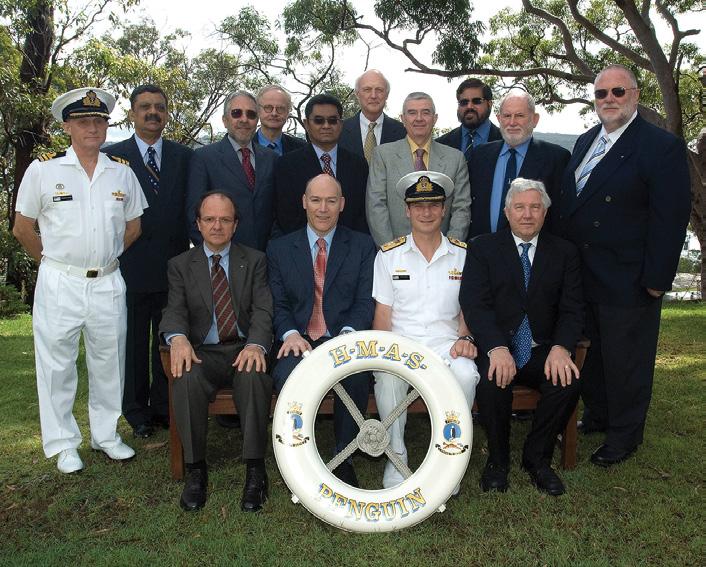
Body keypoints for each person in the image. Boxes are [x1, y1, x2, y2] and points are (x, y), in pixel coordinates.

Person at [557, 64, 691, 466]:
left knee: (626, 361)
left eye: (618, 91)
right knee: (594, 357)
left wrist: (657, 278)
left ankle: (625, 435)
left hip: (628, 276)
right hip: (584, 274)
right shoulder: (585, 141)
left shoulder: (660, 146)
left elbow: (671, 217)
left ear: (635, 95)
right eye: (601, 93)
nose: (609, 99)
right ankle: (599, 415)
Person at [13, 87, 147, 473]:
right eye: (84, 121)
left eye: (100, 121)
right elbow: (23, 228)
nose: (93, 128)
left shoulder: (121, 171)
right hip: (60, 281)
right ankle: (63, 443)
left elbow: (134, 227)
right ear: (67, 126)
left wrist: (104, 257)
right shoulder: (44, 170)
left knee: (109, 360)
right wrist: (54, 263)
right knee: (57, 365)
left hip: (107, 280)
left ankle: (106, 435)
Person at [460, 178, 584, 496]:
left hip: (542, 347)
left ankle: (537, 458)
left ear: (545, 212)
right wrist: (496, 347)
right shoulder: (482, 248)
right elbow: (475, 305)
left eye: (534, 207)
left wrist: (562, 347)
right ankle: (498, 460)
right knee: (492, 381)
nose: (527, 214)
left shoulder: (565, 252)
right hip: (498, 345)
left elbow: (573, 309)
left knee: (567, 381)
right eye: (519, 207)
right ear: (507, 212)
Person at [159, 191, 273, 512]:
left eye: (225, 219)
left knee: (254, 374)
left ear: (235, 225)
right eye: (209, 219)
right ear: (198, 224)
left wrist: (255, 344)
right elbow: (174, 309)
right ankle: (196, 470)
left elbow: (263, 310)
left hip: (242, 349)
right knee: (185, 376)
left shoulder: (254, 260)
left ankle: (255, 470)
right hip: (202, 352)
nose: (217, 226)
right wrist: (177, 338)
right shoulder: (181, 265)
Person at [372, 171, 480, 489]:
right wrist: (383, 354)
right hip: (402, 343)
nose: (427, 212)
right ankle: (396, 457)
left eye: (433, 205)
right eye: (418, 206)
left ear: (444, 209)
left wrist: (466, 337)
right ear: (407, 211)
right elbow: (383, 314)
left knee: (466, 375)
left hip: (447, 343)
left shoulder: (463, 254)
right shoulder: (388, 256)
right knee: (387, 377)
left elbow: (468, 309)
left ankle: (448, 458)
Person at [267, 174, 376, 487]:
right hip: (298, 339)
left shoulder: (362, 246)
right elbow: (278, 303)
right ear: (304, 202)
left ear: (342, 204)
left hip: (342, 336)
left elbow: (364, 301)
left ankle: (344, 455)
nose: (323, 208)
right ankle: (299, 454)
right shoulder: (279, 248)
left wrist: (347, 335)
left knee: (356, 374)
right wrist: (289, 333)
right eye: (316, 200)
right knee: (288, 376)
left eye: (331, 201)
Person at [106, 84, 193, 438]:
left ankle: (163, 406)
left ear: (167, 113)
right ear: (132, 113)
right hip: (129, 266)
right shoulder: (112, 157)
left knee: (168, 340)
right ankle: (135, 410)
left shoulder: (184, 157)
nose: (152, 112)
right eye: (145, 107)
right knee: (132, 344)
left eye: (159, 106)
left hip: (174, 266)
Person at [366, 92, 472, 247]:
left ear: (435, 118)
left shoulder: (455, 158)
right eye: (412, 113)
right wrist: (392, 251)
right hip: (395, 253)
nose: (419, 118)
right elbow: (376, 206)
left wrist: (450, 250)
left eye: (426, 112)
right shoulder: (383, 155)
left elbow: (461, 208)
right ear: (403, 119)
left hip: (442, 252)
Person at [468, 89, 570, 238]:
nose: (512, 122)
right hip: (482, 247)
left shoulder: (556, 158)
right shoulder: (480, 156)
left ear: (534, 119)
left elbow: (559, 215)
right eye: (507, 116)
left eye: (520, 115)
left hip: (533, 249)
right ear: (499, 119)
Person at [186, 90, 277, 251]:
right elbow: (194, 216)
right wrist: (217, 256)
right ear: (225, 120)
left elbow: (279, 212)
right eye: (236, 113)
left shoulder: (272, 158)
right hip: (224, 258)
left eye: (251, 114)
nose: (244, 119)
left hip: (268, 257)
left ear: (257, 120)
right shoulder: (204, 158)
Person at [274, 94, 369, 235]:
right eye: (319, 120)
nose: (326, 126)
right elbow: (286, 216)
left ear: (341, 124)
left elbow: (361, 214)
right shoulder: (286, 165)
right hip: (302, 244)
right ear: (306, 124)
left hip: (352, 244)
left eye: (332, 120)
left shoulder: (358, 165)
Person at [338, 69, 406, 162]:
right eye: (367, 90)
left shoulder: (403, 132)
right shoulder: (339, 130)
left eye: (379, 90)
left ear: (387, 95)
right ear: (357, 94)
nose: (373, 96)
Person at [436, 77, 502, 160]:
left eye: (476, 101)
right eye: (464, 102)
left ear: (489, 104)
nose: (469, 106)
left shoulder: (506, 142)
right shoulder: (440, 144)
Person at [255, 84, 306, 155]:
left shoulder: (302, 149)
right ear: (258, 110)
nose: (274, 113)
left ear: (288, 112)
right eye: (268, 107)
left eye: (280, 108)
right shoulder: (243, 145)